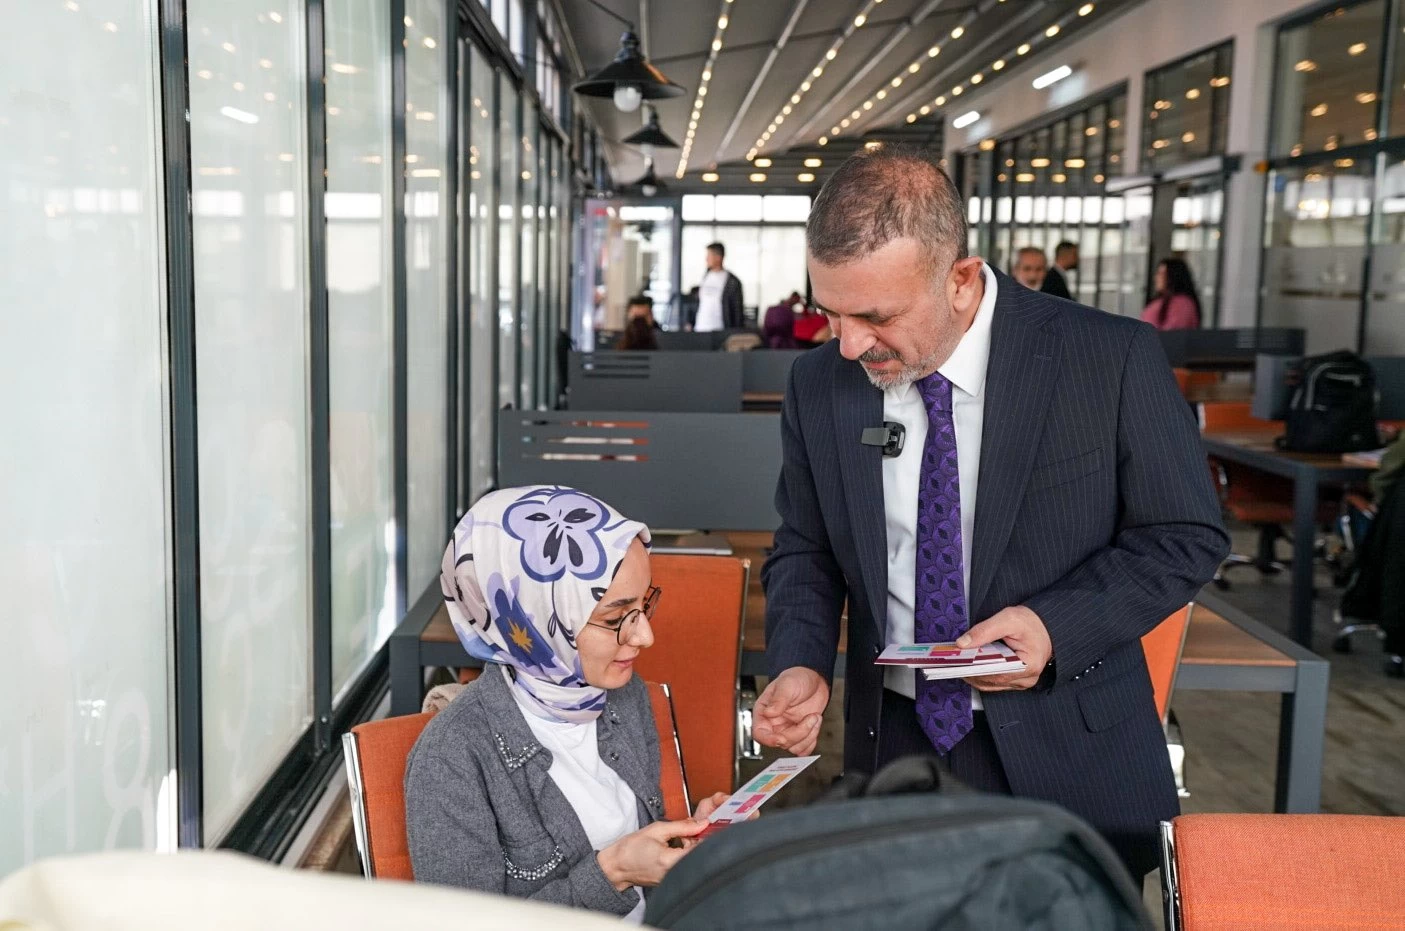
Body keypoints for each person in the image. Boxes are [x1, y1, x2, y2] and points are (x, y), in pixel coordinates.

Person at [753, 145, 1228, 879]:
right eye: (830, 312)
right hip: (898, 745)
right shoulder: (820, 385)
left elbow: (1184, 536)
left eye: (875, 316)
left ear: (962, 281)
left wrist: (1051, 625)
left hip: (1070, 746)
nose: (848, 345)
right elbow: (806, 548)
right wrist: (798, 660)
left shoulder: (1107, 359)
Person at [405, 486, 734, 919]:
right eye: (617, 618)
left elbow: (640, 844)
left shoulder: (624, 696)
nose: (645, 636)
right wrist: (613, 873)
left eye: (644, 606)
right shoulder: (451, 758)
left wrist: (689, 834)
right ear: (536, 622)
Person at [689, 242, 744, 332]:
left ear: (718, 257)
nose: (706, 259)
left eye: (709, 256)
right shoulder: (706, 276)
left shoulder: (732, 282)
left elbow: (737, 312)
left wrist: (735, 332)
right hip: (700, 328)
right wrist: (691, 322)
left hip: (720, 330)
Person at [1142, 258, 1202, 331]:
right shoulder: (1161, 300)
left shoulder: (1182, 304)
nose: (1157, 278)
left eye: (1162, 274)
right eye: (1158, 273)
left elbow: (1173, 335)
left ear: (1174, 276)